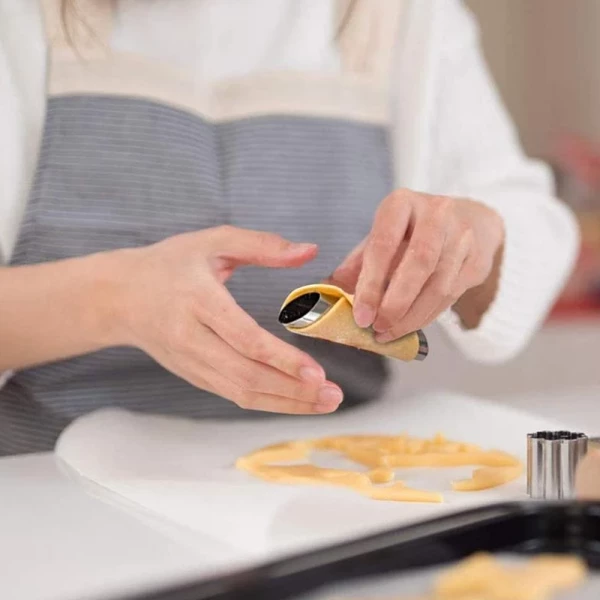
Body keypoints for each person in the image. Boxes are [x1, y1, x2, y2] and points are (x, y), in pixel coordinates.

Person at [0, 0, 578, 456]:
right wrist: (116, 298)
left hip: (321, 490)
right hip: (44, 495)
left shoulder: (410, 17)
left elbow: (528, 218)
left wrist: (468, 241)